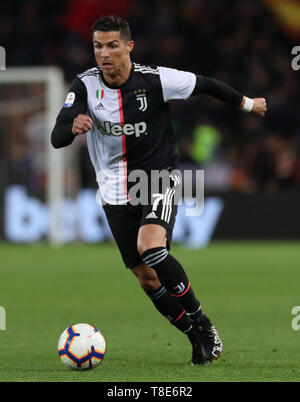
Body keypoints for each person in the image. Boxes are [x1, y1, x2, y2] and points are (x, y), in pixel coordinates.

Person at [51, 15, 267, 365]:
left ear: (128, 46)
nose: (104, 53)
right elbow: (57, 136)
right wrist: (73, 125)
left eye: (112, 45)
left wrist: (247, 104)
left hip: (157, 178)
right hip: (113, 192)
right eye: (97, 46)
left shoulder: (156, 79)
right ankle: (194, 335)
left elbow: (206, 84)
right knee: (147, 279)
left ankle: (203, 322)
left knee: (150, 247)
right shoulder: (85, 86)